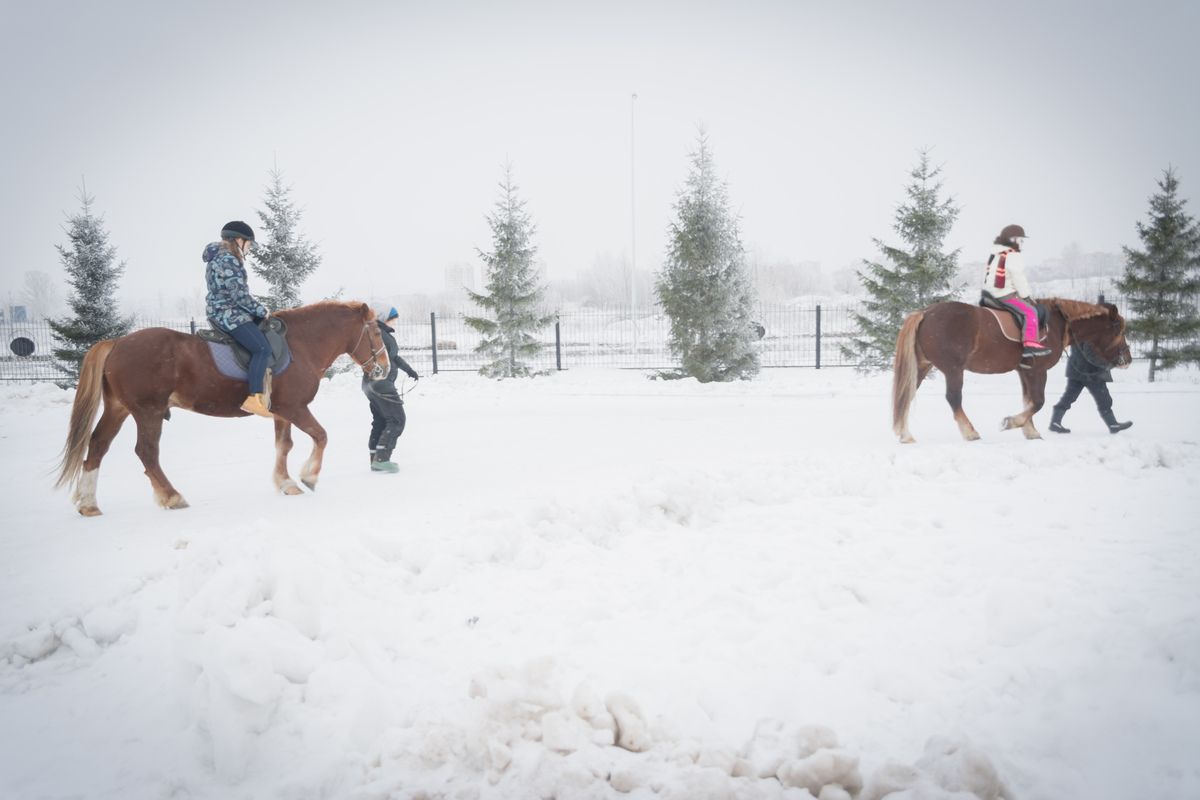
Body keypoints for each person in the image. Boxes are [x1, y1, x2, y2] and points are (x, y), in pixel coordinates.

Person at [203, 221, 273, 417]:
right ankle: (254, 397)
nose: (249, 248)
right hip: (229, 313)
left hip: (219, 309)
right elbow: (239, 296)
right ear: (238, 240)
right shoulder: (228, 259)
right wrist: (262, 310)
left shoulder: (216, 257)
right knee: (262, 348)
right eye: (248, 243)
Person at [364, 305, 420, 473]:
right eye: (392, 317)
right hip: (381, 383)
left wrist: (408, 370)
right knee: (397, 419)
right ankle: (381, 459)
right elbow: (387, 357)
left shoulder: (379, 333)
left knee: (381, 421)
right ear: (383, 317)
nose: (394, 320)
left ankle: (375, 458)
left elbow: (393, 357)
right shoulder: (380, 335)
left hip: (372, 384)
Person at [982, 224, 1051, 359]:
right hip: (1004, 295)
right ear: (1013, 239)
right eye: (1020, 239)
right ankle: (1030, 343)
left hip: (989, 294)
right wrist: (1026, 296)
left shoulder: (996, 253)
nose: (1022, 242)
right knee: (1031, 311)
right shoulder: (1013, 255)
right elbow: (1018, 278)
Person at [1050, 343, 1133, 434]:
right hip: (1090, 373)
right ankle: (1113, 424)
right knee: (1104, 399)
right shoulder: (1089, 331)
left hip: (1077, 369)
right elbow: (1091, 355)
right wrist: (1111, 365)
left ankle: (1055, 422)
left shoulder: (1081, 330)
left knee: (1069, 397)